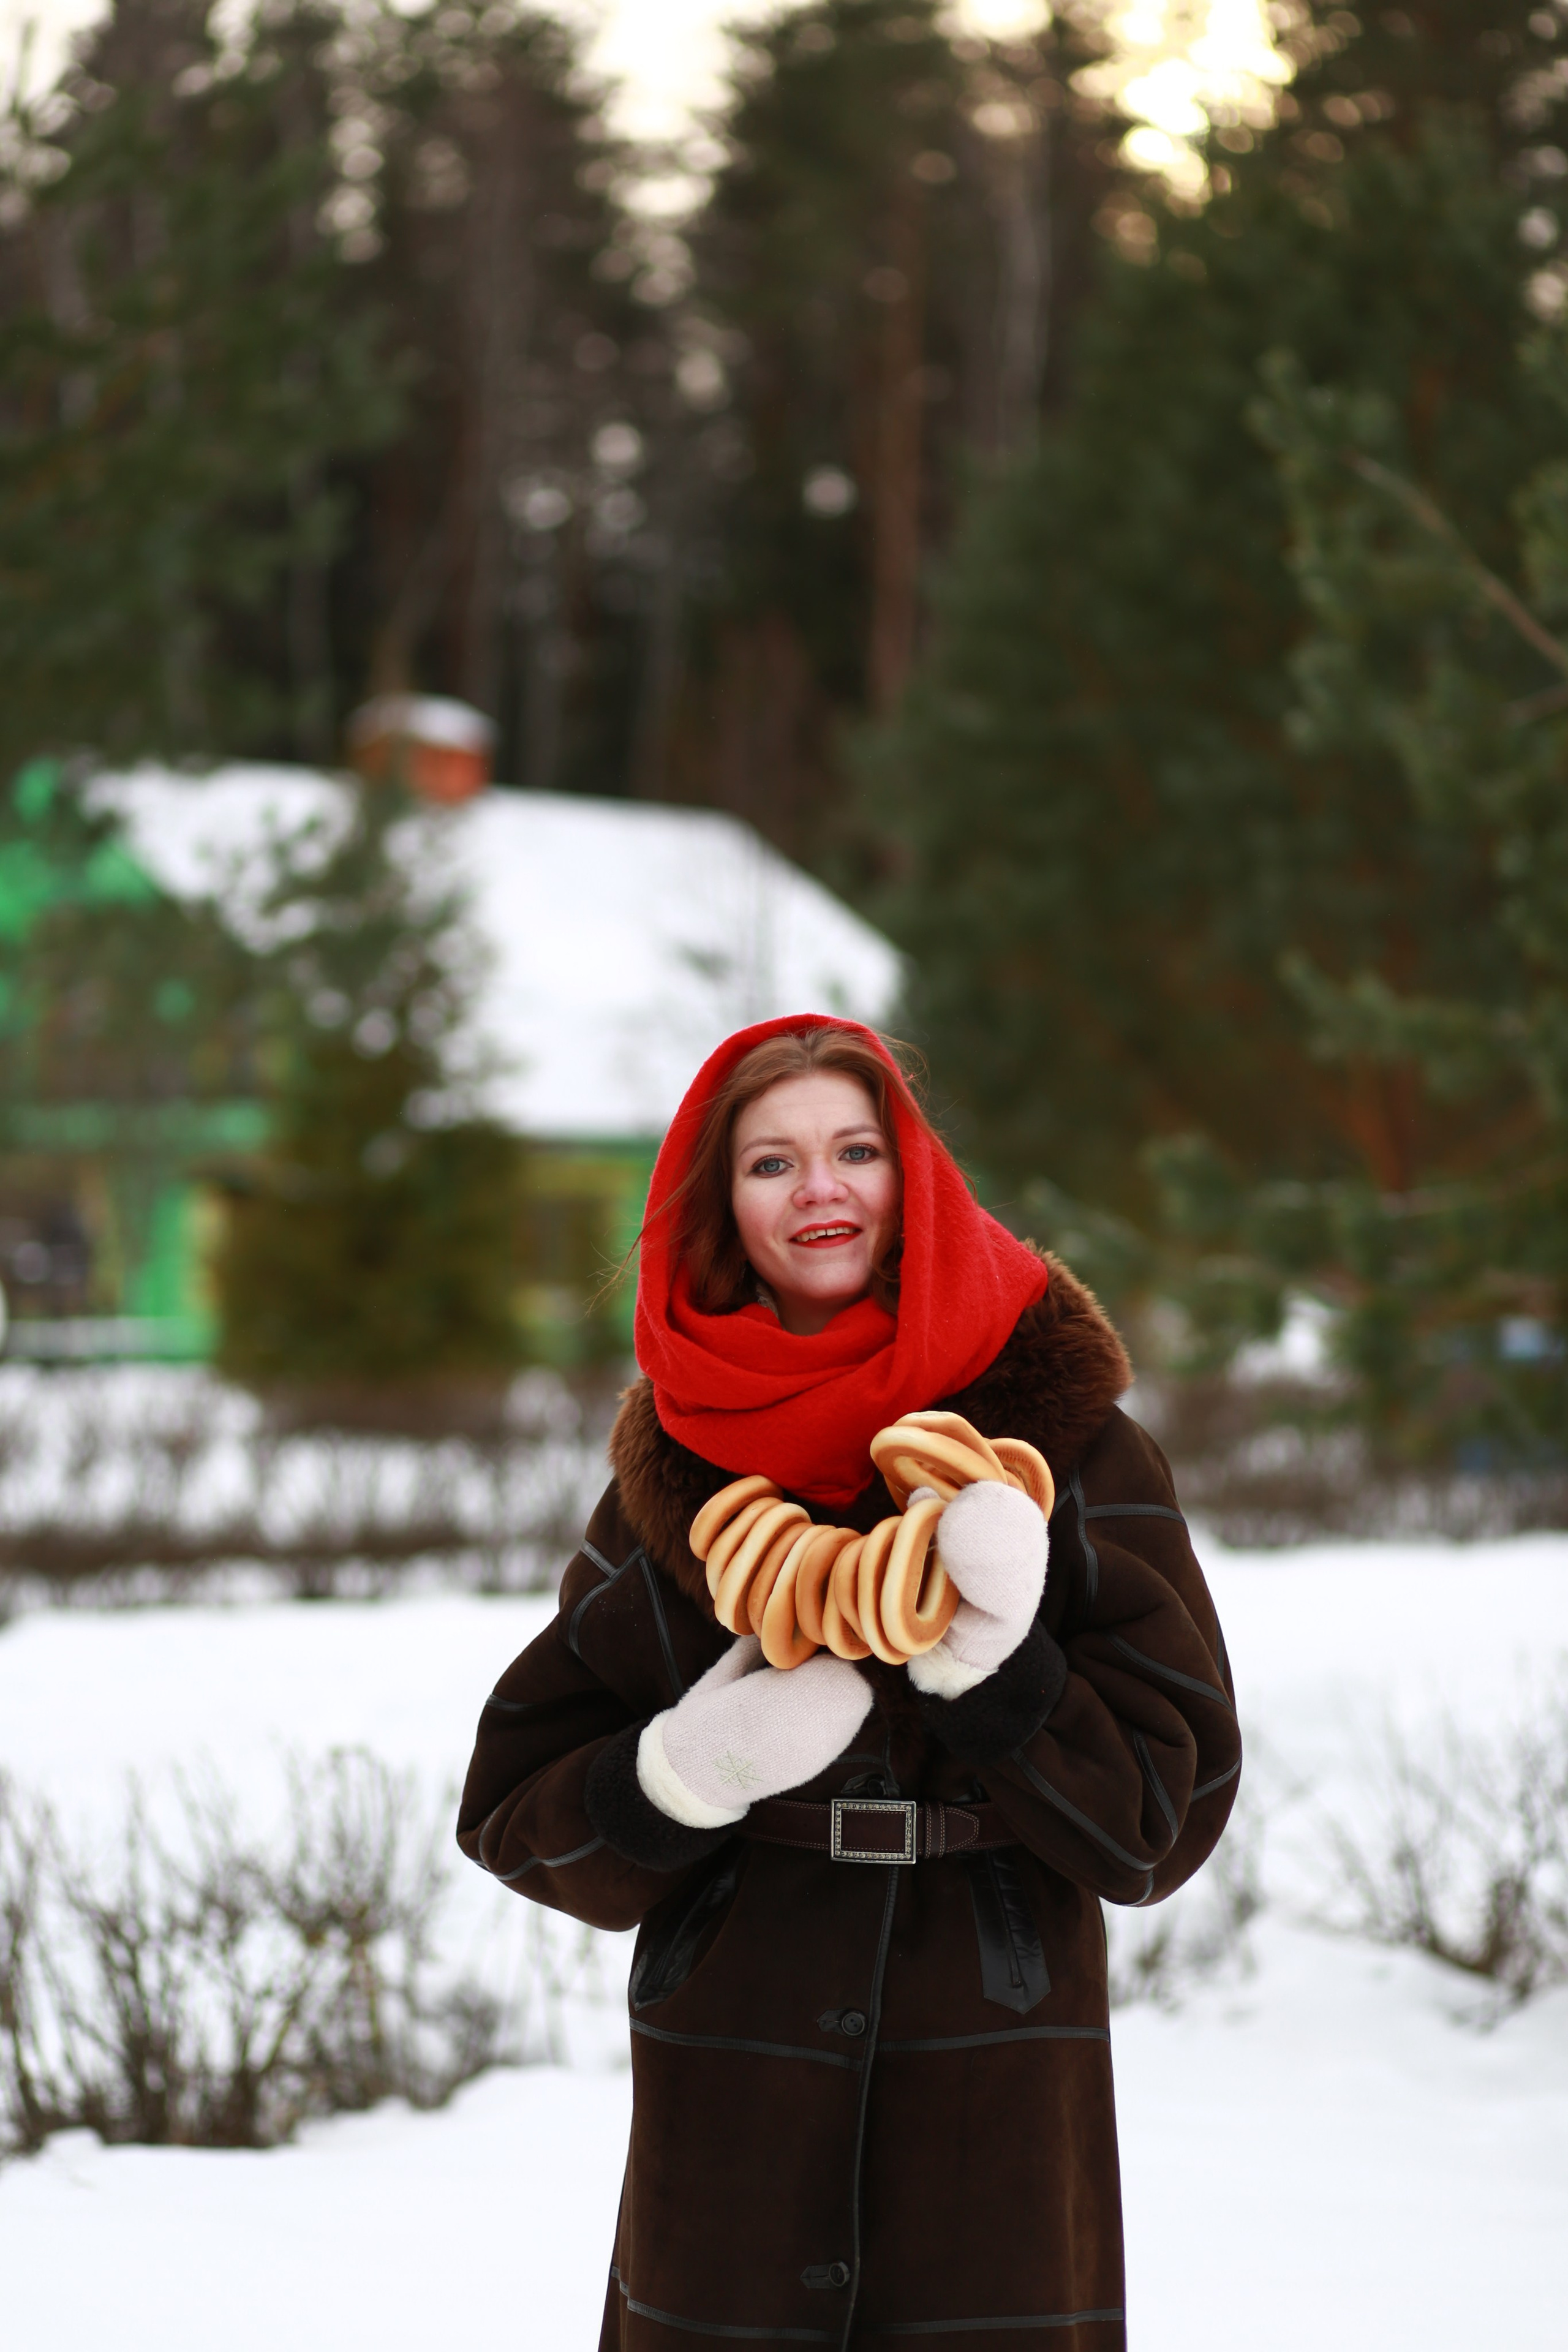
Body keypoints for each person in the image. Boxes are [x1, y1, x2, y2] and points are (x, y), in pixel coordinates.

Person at [458, 1016, 1241, 2350]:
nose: (818, 1192)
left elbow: (1162, 1818)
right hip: (737, 2036)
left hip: (995, 2037)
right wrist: (683, 1772)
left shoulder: (1070, 1450)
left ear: (912, 1175)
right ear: (719, 1210)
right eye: (770, 1164)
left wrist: (1001, 1682)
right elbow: (517, 1813)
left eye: (854, 1151)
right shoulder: (674, 1480)